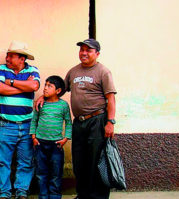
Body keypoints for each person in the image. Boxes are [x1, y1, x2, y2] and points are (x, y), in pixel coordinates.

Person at [36, 39, 116, 199]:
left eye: (89, 50)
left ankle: (97, 196)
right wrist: (43, 97)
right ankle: (83, 194)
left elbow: (111, 99)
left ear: (97, 54)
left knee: (95, 160)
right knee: (79, 160)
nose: (84, 53)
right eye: (82, 50)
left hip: (97, 120)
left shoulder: (103, 72)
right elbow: (58, 89)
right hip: (79, 122)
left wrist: (110, 122)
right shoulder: (73, 72)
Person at [0, 40, 40, 199]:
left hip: (27, 125)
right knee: (3, 162)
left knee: (25, 162)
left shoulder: (33, 70)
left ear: (22, 58)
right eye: (7, 55)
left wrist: (11, 82)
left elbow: (34, 87)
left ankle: (22, 192)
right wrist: (22, 86)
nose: (7, 58)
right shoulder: (1, 69)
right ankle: (4, 193)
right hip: (5, 125)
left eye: (11, 56)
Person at [30, 75, 72, 199]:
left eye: (49, 86)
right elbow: (34, 120)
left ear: (58, 91)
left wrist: (65, 138)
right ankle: (43, 196)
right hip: (40, 144)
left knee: (56, 173)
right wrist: (33, 137)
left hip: (56, 145)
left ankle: (54, 196)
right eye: (45, 85)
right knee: (41, 173)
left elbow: (69, 122)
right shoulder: (40, 104)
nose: (45, 88)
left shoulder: (63, 105)